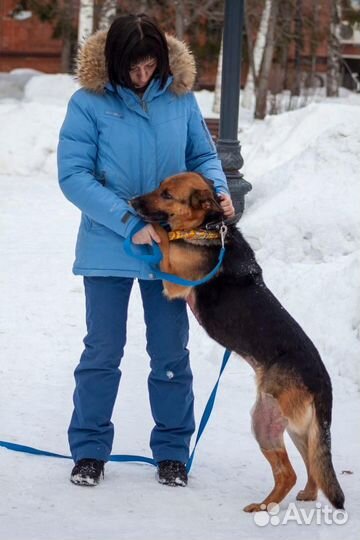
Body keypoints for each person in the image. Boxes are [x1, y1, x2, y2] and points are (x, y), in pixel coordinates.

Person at [57, 13, 234, 488]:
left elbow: (201, 157)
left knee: (170, 352)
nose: (142, 76)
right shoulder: (88, 103)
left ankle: (172, 452)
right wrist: (128, 221)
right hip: (108, 244)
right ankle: (90, 450)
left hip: (171, 251)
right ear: (114, 63)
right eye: (132, 68)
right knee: (102, 351)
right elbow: (73, 175)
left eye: (150, 65)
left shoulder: (180, 98)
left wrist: (217, 190)